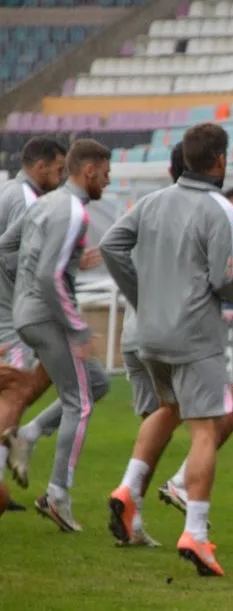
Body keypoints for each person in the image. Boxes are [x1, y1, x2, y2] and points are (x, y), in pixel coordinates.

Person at [99, 123, 233, 575]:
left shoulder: (152, 202)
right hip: (193, 335)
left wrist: (143, 295)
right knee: (206, 429)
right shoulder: (220, 207)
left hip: (149, 333)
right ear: (219, 160)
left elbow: (110, 244)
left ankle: (129, 489)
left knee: (168, 409)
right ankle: (197, 534)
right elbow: (224, 279)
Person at [1, 139, 113, 531]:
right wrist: (78, 327)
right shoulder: (72, 211)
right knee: (79, 403)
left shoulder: (44, 204)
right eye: (105, 172)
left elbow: (7, 246)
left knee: (97, 383)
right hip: (45, 316)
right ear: (88, 171)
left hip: (26, 314)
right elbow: (49, 276)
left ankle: (27, 435)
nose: (108, 179)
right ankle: (57, 495)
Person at [0, 137, 66, 506]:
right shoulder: (26, 200)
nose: (61, 177)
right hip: (13, 313)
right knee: (18, 389)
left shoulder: (10, 192)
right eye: (58, 169)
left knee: (27, 384)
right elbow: (13, 258)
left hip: (10, 310)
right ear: (40, 166)